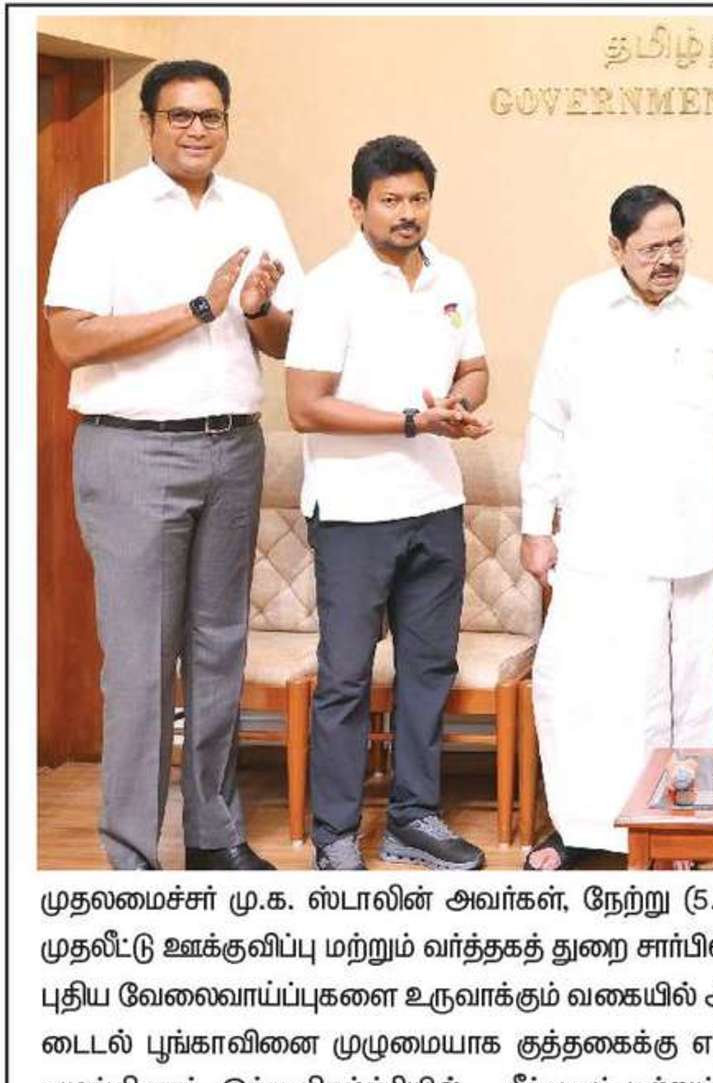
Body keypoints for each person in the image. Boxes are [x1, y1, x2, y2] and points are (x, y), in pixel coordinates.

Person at [43, 59, 299, 871]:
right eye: (180, 115)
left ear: (227, 123)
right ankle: (132, 857)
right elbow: (71, 337)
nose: (197, 129)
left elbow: (285, 341)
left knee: (220, 649)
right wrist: (198, 307)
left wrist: (256, 309)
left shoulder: (255, 209)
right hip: (134, 448)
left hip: (233, 446)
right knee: (142, 664)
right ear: (149, 123)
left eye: (211, 116)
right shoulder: (104, 211)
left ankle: (214, 837)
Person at [519, 184, 713, 870]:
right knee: (590, 690)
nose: (667, 259)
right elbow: (548, 419)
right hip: (603, 539)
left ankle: (679, 829)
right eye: (651, 248)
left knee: (686, 692)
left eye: (677, 243)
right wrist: (536, 524)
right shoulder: (579, 309)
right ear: (617, 249)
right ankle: (583, 829)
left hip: (690, 537)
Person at [284, 135, 494, 871]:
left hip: (435, 500)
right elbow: (305, 406)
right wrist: (411, 421)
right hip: (353, 511)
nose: (407, 213)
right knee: (345, 677)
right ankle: (335, 833)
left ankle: (413, 819)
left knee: (428, 669)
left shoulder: (451, 277)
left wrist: (459, 405)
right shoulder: (330, 286)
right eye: (391, 200)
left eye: (418, 199)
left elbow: (475, 368)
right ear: (358, 206)